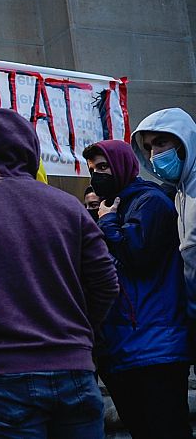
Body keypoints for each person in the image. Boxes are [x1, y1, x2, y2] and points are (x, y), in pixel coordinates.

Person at [0, 108, 120, 438]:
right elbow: (106, 280)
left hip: (4, 373)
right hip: (72, 367)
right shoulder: (70, 207)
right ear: (32, 148)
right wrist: (82, 330)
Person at [83, 141, 192, 439]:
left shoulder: (149, 202)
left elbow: (138, 255)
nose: (96, 175)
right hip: (124, 347)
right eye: (92, 170)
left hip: (154, 345)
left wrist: (106, 223)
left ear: (122, 166)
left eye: (103, 167)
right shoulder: (115, 205)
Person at [132, 108, 196, 323]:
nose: (153, 155)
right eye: (148, 147)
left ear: (183, 141)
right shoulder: (180, 193)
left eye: (161, 143)